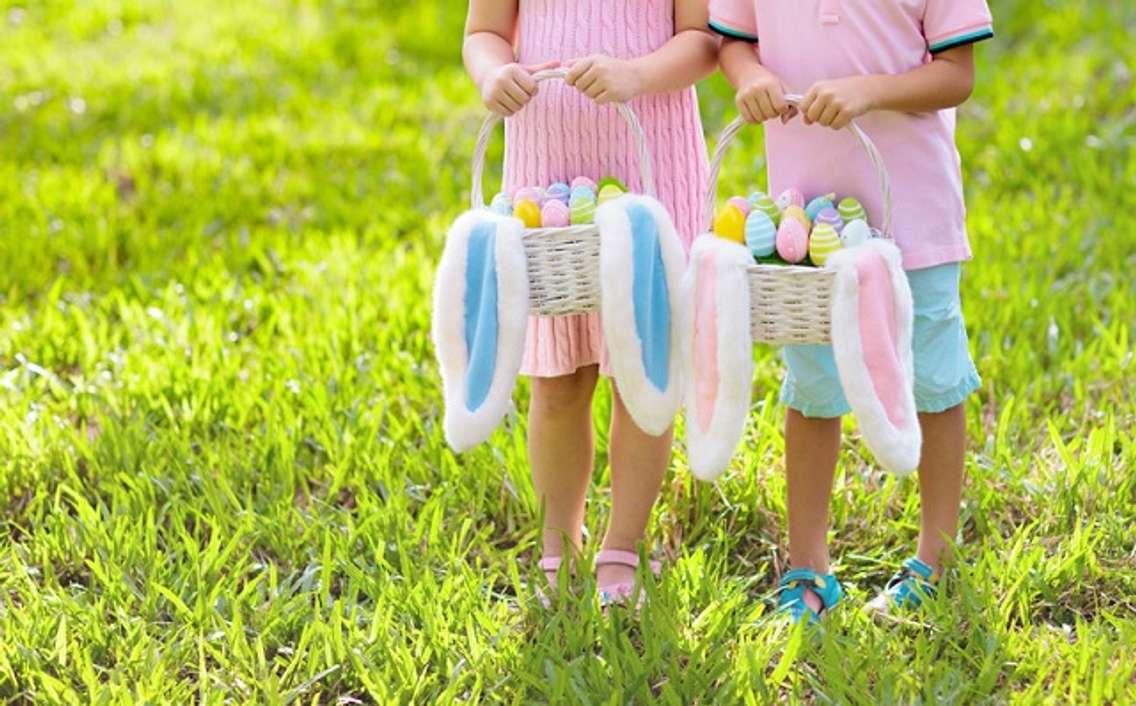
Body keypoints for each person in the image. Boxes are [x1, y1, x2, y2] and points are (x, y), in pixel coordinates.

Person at [710, 0, 993, 621]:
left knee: (934, 381)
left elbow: (957, 74)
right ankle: (808, 568)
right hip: (807, 222)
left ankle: (935, 559)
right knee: (812, 384)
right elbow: (733, 41)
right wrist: (751, 77)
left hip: (914, 215)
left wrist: (870, 91)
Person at [462, 0, 717, 605]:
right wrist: (493, 74)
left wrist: (637, 73)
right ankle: (559, 549)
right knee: (557, 377)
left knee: (642, 373)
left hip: (650, 164)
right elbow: (484, 32)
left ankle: (622, 548)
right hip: (546, 176)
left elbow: (703, 40)